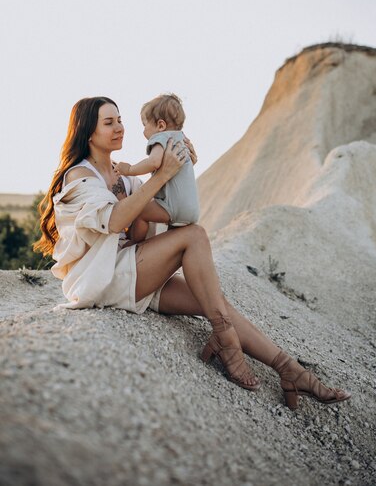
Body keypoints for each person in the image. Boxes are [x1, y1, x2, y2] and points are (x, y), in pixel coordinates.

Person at [35, 96, 351, 410]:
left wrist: (179, 174)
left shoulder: (127, 177)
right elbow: (115, 220)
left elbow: (146, 228)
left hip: (133, 270)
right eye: (109, 122)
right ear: (88, 132)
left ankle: (290, 371)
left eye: (120, 120)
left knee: (214, 303)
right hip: (105, 278)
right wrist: (161, 175)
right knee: (195, 236)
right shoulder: (80, 176)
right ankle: (227, 342)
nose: (119, 127)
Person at [115, 93, 199, 240]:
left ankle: (137, 245)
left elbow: (154, 162)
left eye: (144, 125)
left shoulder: (161, 138)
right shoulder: (182, 139)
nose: (143, 131)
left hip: (173, 207)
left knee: (140, 213)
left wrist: (130, 170)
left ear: (160, 125)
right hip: (192, 210)